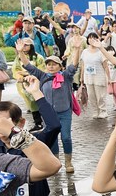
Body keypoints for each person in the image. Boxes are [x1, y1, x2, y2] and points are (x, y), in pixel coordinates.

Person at [17, 41, 80, 175]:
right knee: (52, 139)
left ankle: (68, 162)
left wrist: (77, 48)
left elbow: (74, 65)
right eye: (49, 64)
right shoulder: (42, 76)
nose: (51, 67)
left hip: (65, 112)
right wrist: (20, 52)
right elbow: (28, 66)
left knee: (66, 137)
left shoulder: (66, 76)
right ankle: (55, 161)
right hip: (49, 115)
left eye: (54, 64)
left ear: (60, 66)